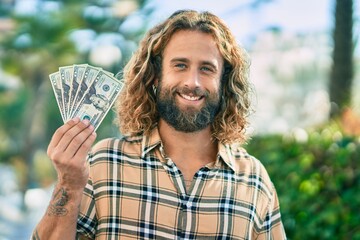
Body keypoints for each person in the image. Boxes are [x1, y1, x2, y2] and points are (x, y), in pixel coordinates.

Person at [32, 10, 286, 239]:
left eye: (207, 69)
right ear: (155, 75)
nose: (193, 82)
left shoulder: (254, 181)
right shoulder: (103, 163)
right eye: (180, 65)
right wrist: (69, 183)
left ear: (224, 82)